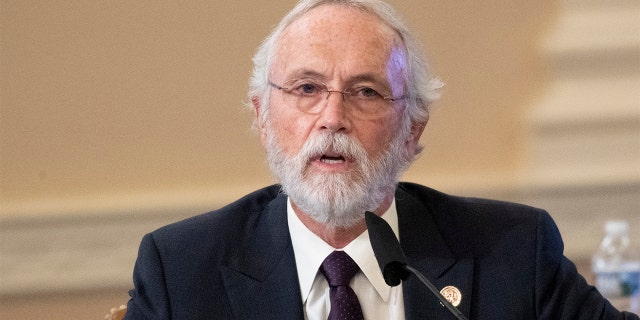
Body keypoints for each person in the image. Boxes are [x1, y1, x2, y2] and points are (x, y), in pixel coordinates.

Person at [123, 0, 639, 319]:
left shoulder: (512, 253)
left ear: (413, 129)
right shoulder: (183, 270)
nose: (332, 117)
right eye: (307, 88)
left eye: (366, 92)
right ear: (261, 116)